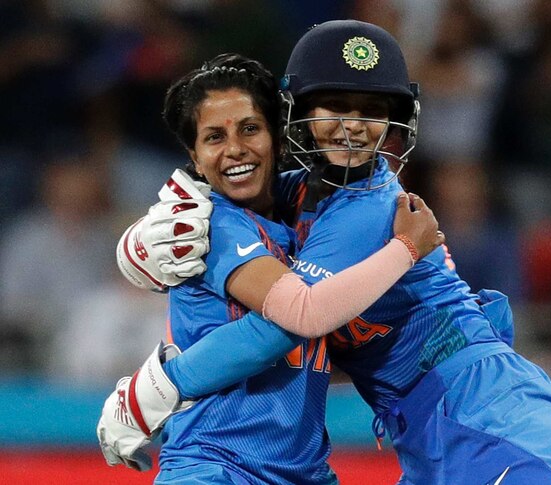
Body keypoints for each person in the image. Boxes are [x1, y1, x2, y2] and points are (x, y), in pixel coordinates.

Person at [106, 21, 551, 485]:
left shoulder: (370, 205)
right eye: (335, 105)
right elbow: (206, 216)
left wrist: (154, 389)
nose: (354, 126)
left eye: (371, 110)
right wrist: (138, 243)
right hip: (428, 425)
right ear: (295, 116)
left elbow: (299, 315)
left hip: (486, 410)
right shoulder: (298, 195)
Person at [96, 52, 443, 484]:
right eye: (213, 137)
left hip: (303, 471)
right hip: (216, 468)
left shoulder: (310, 206)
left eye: (250, 128)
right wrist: (406, 248)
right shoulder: (207, 225)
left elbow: (356, 181)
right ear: (194, 156)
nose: (235, 149)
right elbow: (297, 318)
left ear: (279, 138)